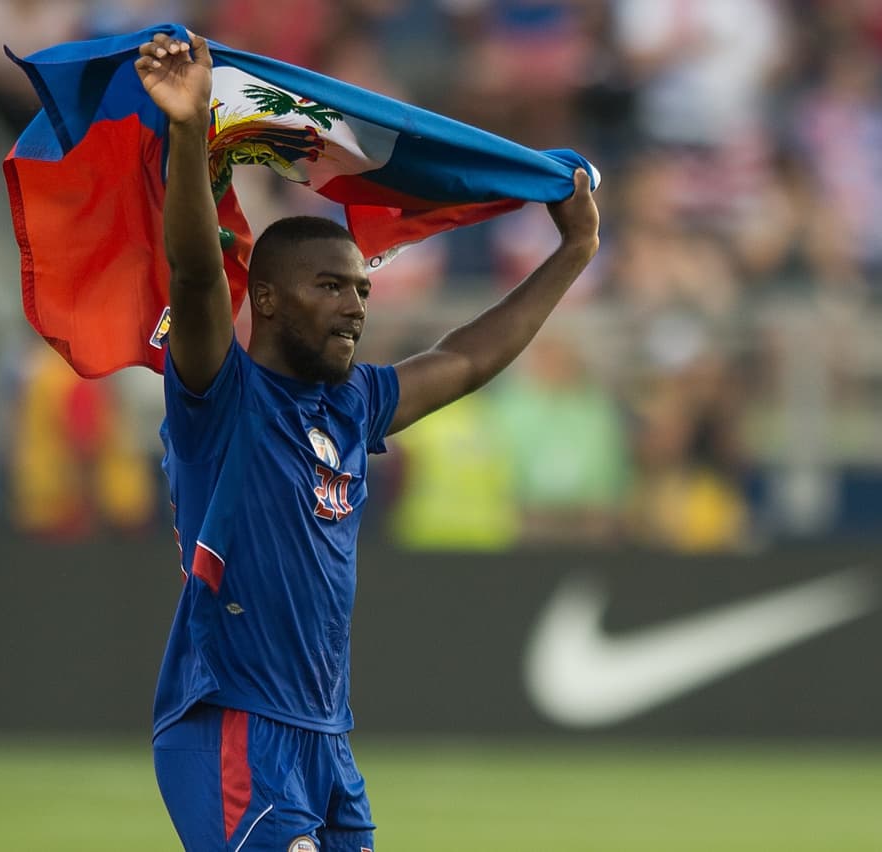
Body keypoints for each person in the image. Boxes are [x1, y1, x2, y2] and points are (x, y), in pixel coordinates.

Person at [135, 31, 598, 852]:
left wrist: (575, 252)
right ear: (269, 301)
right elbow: (199, 273)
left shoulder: (350, 404)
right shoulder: (223, 396)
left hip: (325, 739)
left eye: (361, 288)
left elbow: (462, 359)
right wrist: (185, 129)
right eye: (329, 286)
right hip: (233, 727)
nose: (354, 305)